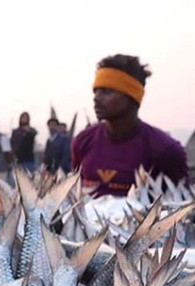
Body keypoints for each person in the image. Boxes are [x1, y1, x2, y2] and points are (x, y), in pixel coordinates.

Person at [72, 54, 188, 197]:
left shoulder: (166, 151)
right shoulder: (82, 142)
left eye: (106, 91)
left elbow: (180, 209)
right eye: (96, 91)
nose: (96, 98)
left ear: (132, 95)